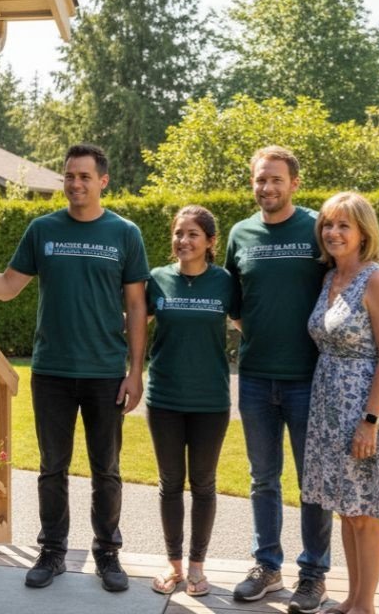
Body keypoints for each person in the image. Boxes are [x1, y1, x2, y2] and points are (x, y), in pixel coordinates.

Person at [0, 143, 148, 593]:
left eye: (84, 176)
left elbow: (137, 304)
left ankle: (108, 553)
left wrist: (135, 370)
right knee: (52, 467)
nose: (75, 184)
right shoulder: (42, 229)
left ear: (103, 181)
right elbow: (8, 286)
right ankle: (52, 551)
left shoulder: (124, 234)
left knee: (107, 468)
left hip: (105, 370)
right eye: (69, 175)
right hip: (52, 371)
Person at [226, 147, 379, 613]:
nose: (267, 187)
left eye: (276, 179)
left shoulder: (315, 227)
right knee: (267, 478)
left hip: (312, 383)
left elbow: (376, 295)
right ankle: (267, 568)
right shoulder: (243, 235)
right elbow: (235, 302)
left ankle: (314, 577)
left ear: (294, 183)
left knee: (320, 488)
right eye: (260, 179)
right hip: (261, 379)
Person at [301, 192, 379, 614]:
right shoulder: (329, 279)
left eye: (344, 225)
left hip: (361, 406)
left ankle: (367, 606)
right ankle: (353, 599)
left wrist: (370, 420)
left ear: (363, 233)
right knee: (345, 508)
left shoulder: (376, 279)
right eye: (328, 224)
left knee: (364, 512)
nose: (334, 232)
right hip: (327, 405)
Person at [145, 206, 232, 598]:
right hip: (164, 398)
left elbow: (259, 323)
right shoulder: (157, 280)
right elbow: (129, 321)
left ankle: (198, 566)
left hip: (210, 401)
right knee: (169, 484)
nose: (184, 241)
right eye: (179, 233)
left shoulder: (226, 283)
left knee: (203, 484)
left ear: (211, 242)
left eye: (194, 234)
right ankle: (174, 565)